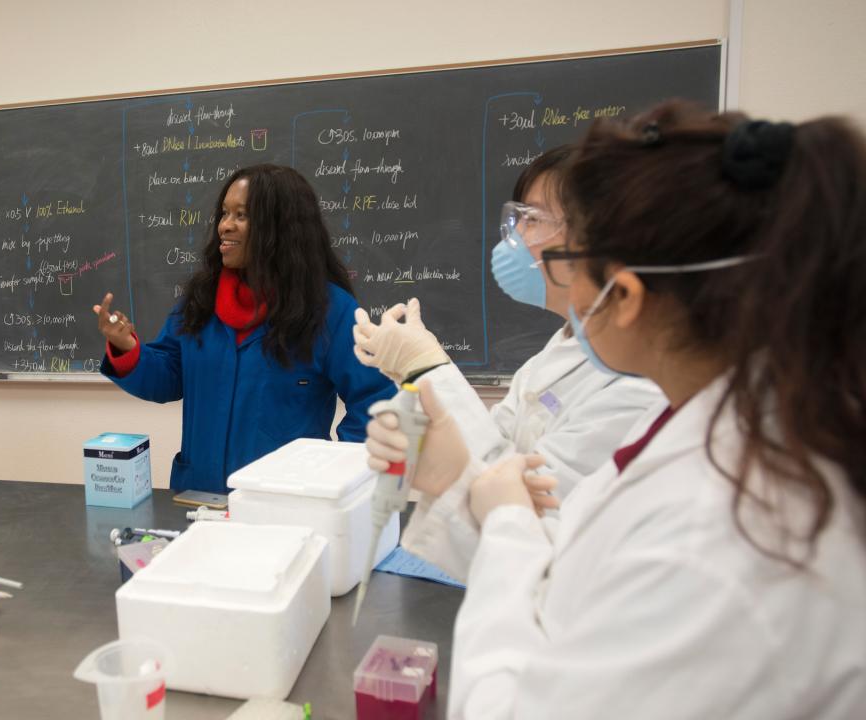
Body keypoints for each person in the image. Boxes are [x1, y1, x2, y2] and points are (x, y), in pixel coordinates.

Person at [373, 101, 866, 717]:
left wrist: (502, 514)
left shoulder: (717, 537)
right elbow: (579, 574)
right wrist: (461, 484)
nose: (559, 283)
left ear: (625, 295)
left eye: (568, 262)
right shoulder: (716, 419)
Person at [355, 145, 662, 580]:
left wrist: (427, 368)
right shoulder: (561, 348)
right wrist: (421, 388)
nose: (514, 236)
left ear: (594, 240)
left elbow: (534, 519)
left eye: (533, 219)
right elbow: (498, 446)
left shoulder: (637, 383)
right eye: (517, 218)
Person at [94, 164, 394, 493]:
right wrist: (127, 349)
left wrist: (333, 473)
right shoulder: (201, 301)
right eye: (224, 213)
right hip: (199, 499)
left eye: (242, 215)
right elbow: (170, 376)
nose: (225, 226)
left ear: (280, 226)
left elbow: (376, 403)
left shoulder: (330, 311)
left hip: (281, 505)